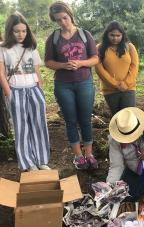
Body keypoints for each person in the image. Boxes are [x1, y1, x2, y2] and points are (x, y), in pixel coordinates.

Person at [45, 1, 99, 169]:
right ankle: (78, 156)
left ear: (70, 15)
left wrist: (81, 63)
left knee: (85, 119)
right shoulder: (53, 38)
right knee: (70, 120)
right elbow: (48, 62)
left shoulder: (84, 35)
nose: (62, 22)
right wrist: (62, 65)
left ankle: (89, 154)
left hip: (84, 83)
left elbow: (95, 58)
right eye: (58, 20)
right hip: (63, 85)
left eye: (64, 18)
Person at [0, 12, 50, 171]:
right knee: (21, 128)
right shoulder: (3, 48)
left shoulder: (31, 47)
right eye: (16, 31)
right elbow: (1, 73)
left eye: (23, 31)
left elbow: (37, 71)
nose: (21, 34)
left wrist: (40, 90)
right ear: (10, 31)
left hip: (34, 89)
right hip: (15, 90)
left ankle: (42, 160)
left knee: (39, 124)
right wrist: (9, 93)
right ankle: (28, 163)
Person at [95, 21, 139, 116]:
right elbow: (99, 69)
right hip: (110, 90)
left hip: (128, 89)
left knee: (129, 118)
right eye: (112, 35)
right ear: (107, 34)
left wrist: (126, 83)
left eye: (118, 35)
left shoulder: (129, 47)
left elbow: (134, 66)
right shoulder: (99, 48)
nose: (115, 38)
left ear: (122, 35)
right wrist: (115, 84)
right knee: (117, 118)